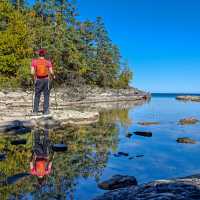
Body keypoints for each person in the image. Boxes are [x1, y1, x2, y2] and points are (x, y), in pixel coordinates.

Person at [31, 49, 55, 115]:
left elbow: (32, 72)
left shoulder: (34, 62)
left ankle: (35, 111)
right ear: (44, 54)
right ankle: (46, 111)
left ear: (39, 54)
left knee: (37, 95)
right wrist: (53, 76)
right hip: (46, 80)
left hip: (38, 80)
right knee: (46, 95)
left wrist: (33, 80)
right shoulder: (48, 62)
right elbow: (51, 72)